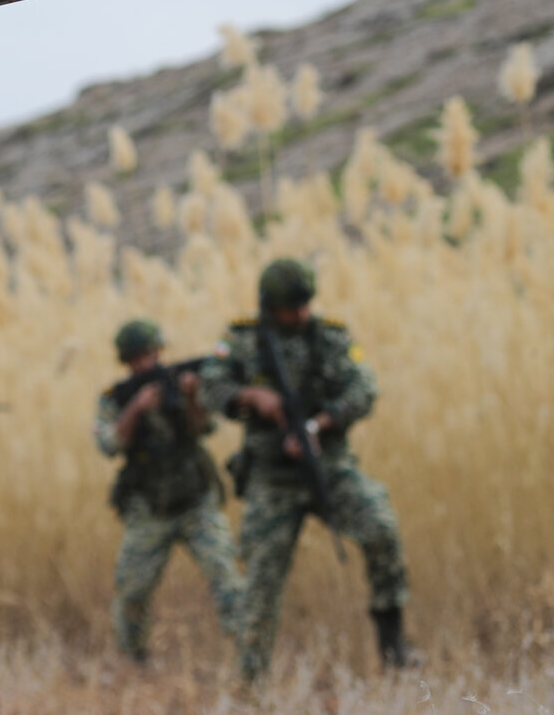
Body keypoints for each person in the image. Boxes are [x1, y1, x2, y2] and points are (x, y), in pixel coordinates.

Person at [198, 258, 413, 682]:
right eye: (289, 308)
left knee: (382, 529)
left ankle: (395, 647)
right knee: (260, 579)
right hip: (271, 479)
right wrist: (251, 397)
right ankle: (252, 680)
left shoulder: (330, 337)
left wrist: (320, 422)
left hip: (329, 466)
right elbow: (209, 385)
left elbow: (364, 388)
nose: (300, 315)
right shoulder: (242, 340)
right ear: (268, 306)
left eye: (304, 305)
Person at [93, 320, 243, 665]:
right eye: (138, 357)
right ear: (127, 360)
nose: (147, 362)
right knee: (132, 591)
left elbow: (203, 428)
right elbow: (108, 444)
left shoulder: (178, 382)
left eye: (151, 354)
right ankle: (132, 660)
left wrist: (191, 395)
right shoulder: (116, 398)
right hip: (149, 508)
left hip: (195, 502)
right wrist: (136, 409)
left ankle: (247, 655)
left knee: (227, 580)